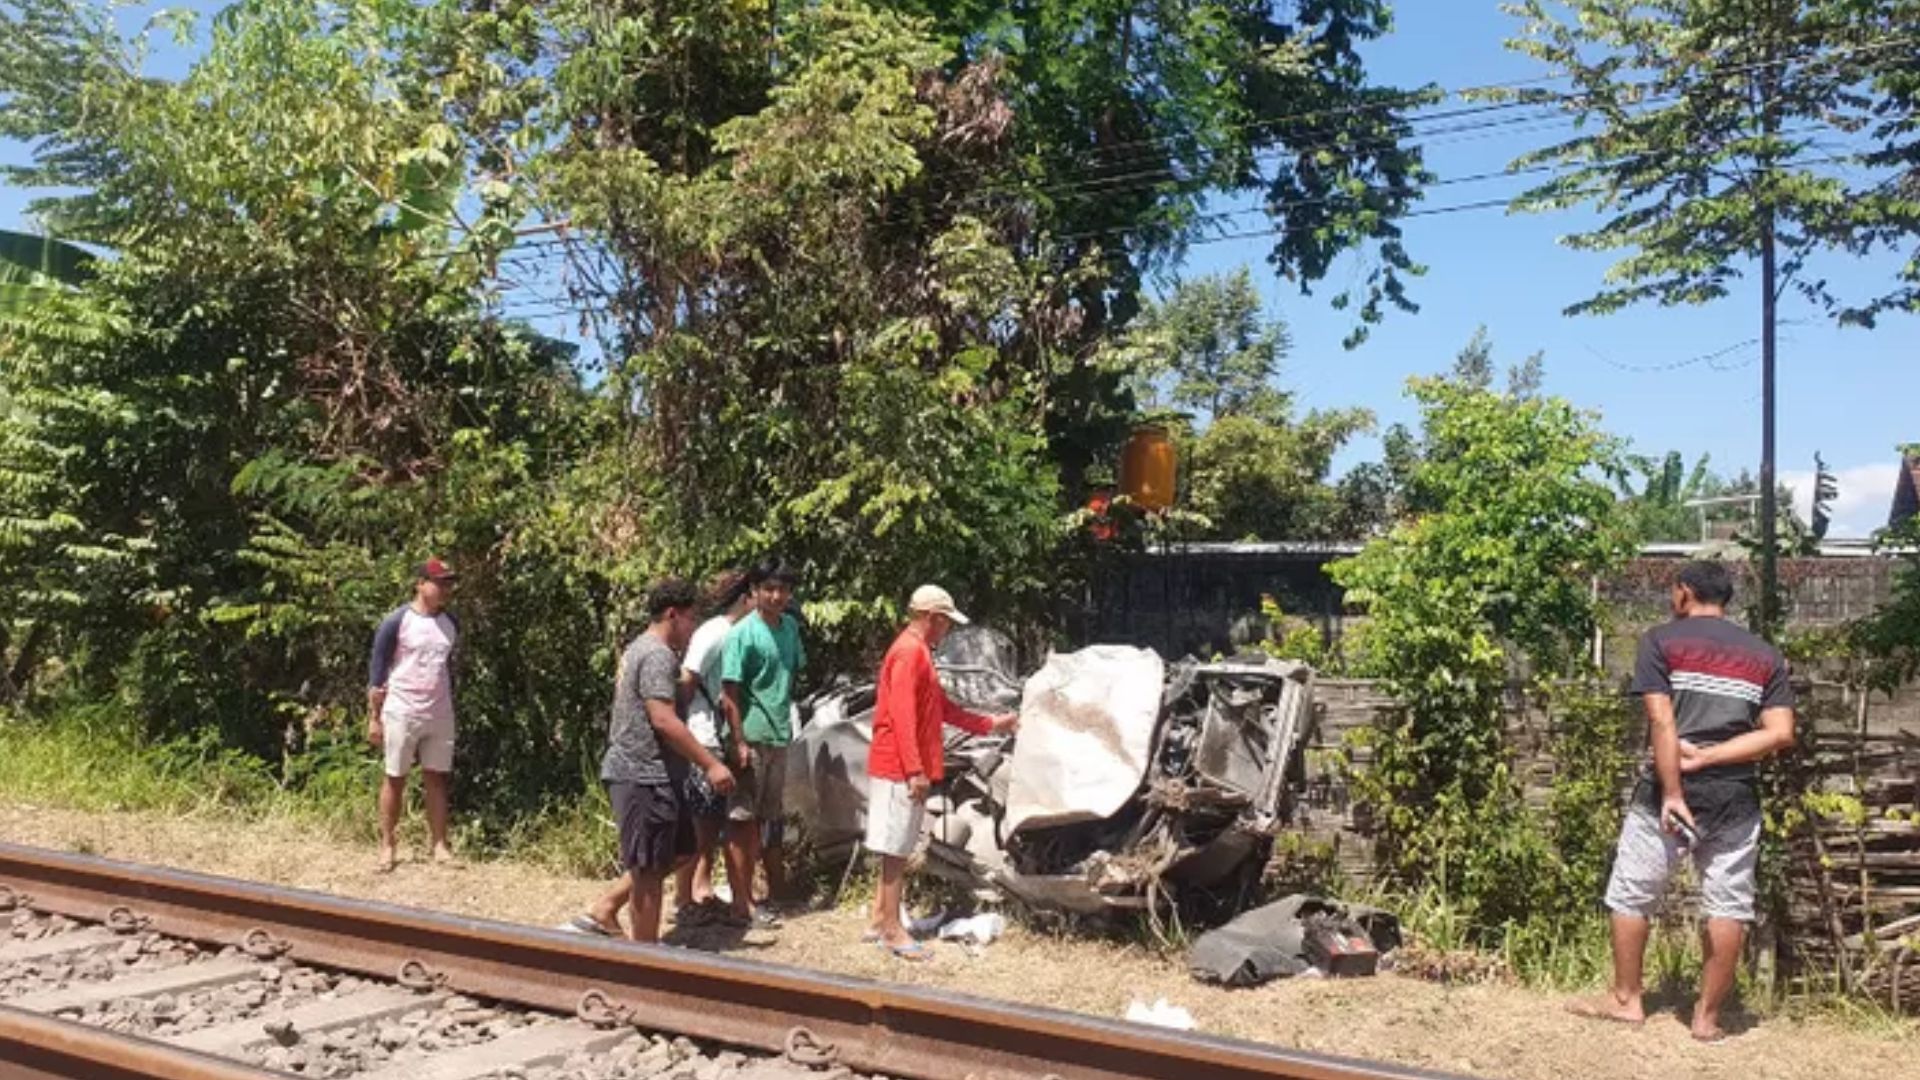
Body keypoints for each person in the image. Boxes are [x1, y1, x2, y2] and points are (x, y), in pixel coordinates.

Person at [1570, 560, 1796, 1043]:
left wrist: (1674, 790)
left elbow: (1662, 721)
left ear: (1684, 592)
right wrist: (1712, 756)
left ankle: (1627, 1001)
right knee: (1728, 904)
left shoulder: (1661, 641)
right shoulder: (1765, 655)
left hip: (1664, 794)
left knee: (1632, 892)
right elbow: (1779, 733)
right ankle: (1707, 1019)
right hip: (1735, 796)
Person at [863, 585, 1016, 960]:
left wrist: (991, 724)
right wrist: (914, 771)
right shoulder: (909, 653)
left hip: (905, 764)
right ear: (933, 618)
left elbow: (942, 708)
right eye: (946, 622)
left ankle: (881, 917)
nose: (947, 630)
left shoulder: (919, 653)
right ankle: (892, 930)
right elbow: (902, 717)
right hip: (899, 766)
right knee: (896, 848)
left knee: (896, 844)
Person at [599, 578, 736, 944]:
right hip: (642, 773)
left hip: (659, 774)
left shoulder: (645, 650)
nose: (693, 628)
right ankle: (645, 954)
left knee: (681, 851)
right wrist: (711, 764)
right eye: (691, 619)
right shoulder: (657, 655)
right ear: (673, 615)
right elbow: (663, 719)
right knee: (648, 870)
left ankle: (607, 907)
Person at [719, 559, 805, 930]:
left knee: (770, 818)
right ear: (754, 591)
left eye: (783, 589)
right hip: (750, 738)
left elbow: (789, 676)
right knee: (742, 821)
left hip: (779, 736)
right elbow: (729, 693)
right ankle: (742, 903)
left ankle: (774, 889)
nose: (776, 596)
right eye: (769, 588)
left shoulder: (790, 628)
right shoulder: (742, 633)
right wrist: (738, 741)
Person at [367, 558, 461, 873]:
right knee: (395, 777)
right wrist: (374, 717)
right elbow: (377, 671)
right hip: (402, 708)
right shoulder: (397, 621)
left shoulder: (450, 623)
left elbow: (447, 666)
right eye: (439, 583)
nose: (445, 589)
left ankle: (439, 844)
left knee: (436, 777)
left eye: (448, 583)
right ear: (420, 584)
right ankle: (387, 845)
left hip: (439, 710)